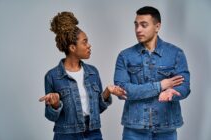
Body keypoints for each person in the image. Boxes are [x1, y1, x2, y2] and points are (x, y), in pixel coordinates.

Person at [39, 11, 126, 140]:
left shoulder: (92, 72)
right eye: (84, 42)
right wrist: (55, 104)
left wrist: (107, 92)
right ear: (73, 48)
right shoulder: (52, 76)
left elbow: (99, 109)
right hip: (66, 135)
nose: (89, 45)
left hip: (93, 132)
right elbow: (51, 116)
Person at [114, 6, 190, 140]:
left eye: (144, 25)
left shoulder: (176, 54)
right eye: (136, 25)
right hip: (134, 129)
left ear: (157, 26)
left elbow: (184, 86)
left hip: (166, 128)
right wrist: (160, 86)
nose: (138, 30)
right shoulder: (125, 56)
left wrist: (172, 92)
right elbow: (123, 90)